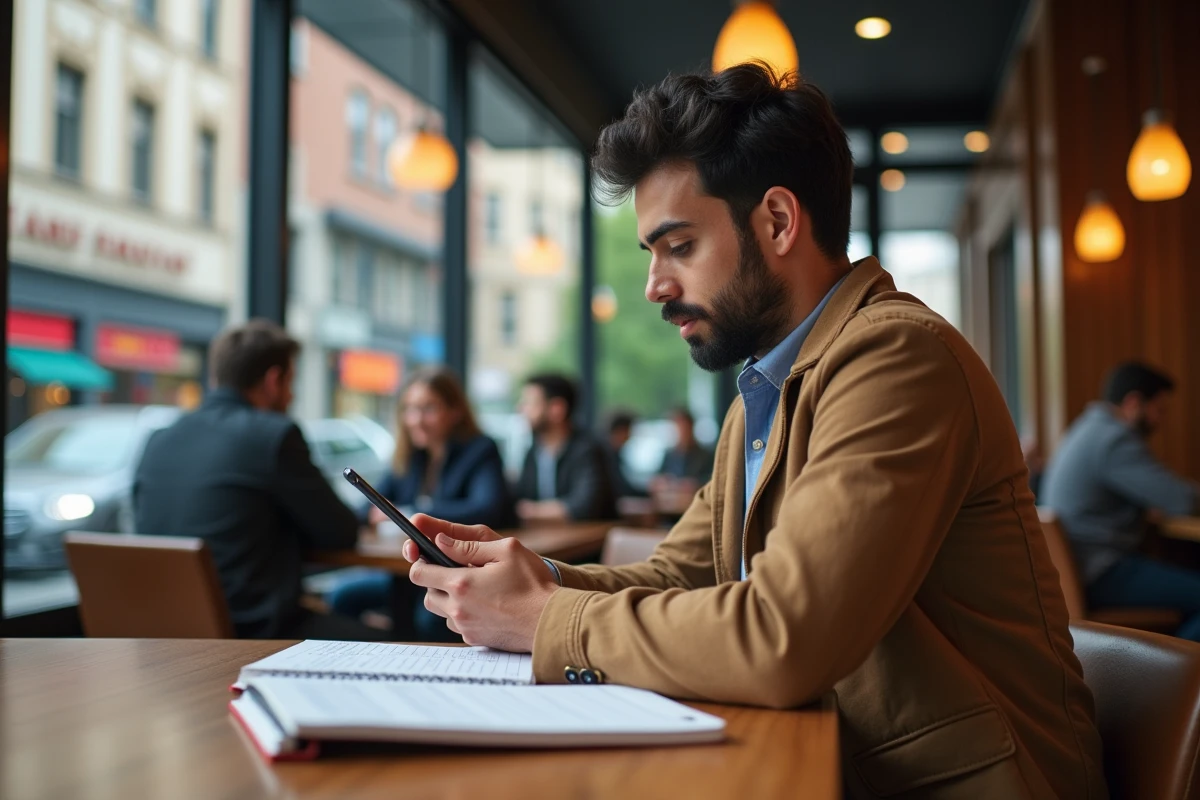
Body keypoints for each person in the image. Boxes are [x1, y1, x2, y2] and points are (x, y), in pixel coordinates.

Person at [399, 65, 1105, 797]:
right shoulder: (763, 393)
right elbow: (680, 576)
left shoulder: (897, 358)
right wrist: (531, 581)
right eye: (650, 254)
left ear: (776, 221)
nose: (654, 287)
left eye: (678, 246)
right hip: (843, 761)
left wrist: (549, 620)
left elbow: (784, 638)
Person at [133, 319, 386, 641]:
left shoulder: (159, 438)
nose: (291, 395)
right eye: (291, 382)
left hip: (166, 638)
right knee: (396, 647)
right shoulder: (273, 435)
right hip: (254, 634)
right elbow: (340, 532)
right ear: (274, 379)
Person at [327, 367, 516, 638]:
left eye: (428, 409)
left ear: (455, 412)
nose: (416, 419)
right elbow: (372, 506)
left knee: (426, 620)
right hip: (409, 571)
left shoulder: (480, 449)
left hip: (456, 571)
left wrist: (410, 512)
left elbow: (487, 508)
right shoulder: (410, 456)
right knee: (342, 596)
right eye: (410, 409)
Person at [1042, 361, 1200, 637]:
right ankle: (1176, 678)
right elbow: (1182, 500)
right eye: (1158, 410)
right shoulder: (1113, 439)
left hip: (1081, 569)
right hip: (1102, 572)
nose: (1160, 420)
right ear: (1134, 402)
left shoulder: (1085, 429)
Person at [513, 373, 617, 522]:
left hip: (587, 541)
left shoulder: (588, 449)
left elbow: (584, 507)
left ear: (557, 409)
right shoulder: (534, 451)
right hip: (546, 537)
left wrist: (532, 511)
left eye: (529, 403)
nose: (520, 408)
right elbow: (519, 499)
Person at [655, 407, 714, 486]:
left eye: (683, 427)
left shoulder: (705, 456)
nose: (680, 432)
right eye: (677, 427)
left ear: (691, 427)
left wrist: (694, 483)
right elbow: (659, 477)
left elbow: (712, 479)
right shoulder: (669, 455)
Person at [603, 409, 645, 499]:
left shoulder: (613, 453)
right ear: (621, 431)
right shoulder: (606, 455)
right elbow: (622, 488)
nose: (630, 436)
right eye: (629, 431)